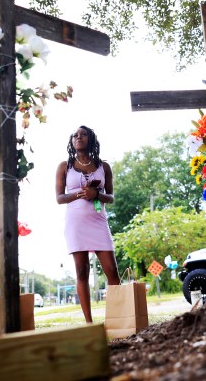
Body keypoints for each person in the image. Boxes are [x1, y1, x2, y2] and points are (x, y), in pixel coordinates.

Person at [55, 125, 120, 322]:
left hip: (98, 221)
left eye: (83, 134)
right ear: (72, 140)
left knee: (112, 272)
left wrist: (97, 194)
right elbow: (59, 198)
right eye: (75, 135)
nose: (79, 137)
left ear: (91, 139)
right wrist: (79, 193)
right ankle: (89, 323)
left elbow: (110, 197)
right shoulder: (64, 166)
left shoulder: (103, 166)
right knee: (82, 272)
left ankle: (117, 318)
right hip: (76, 223)